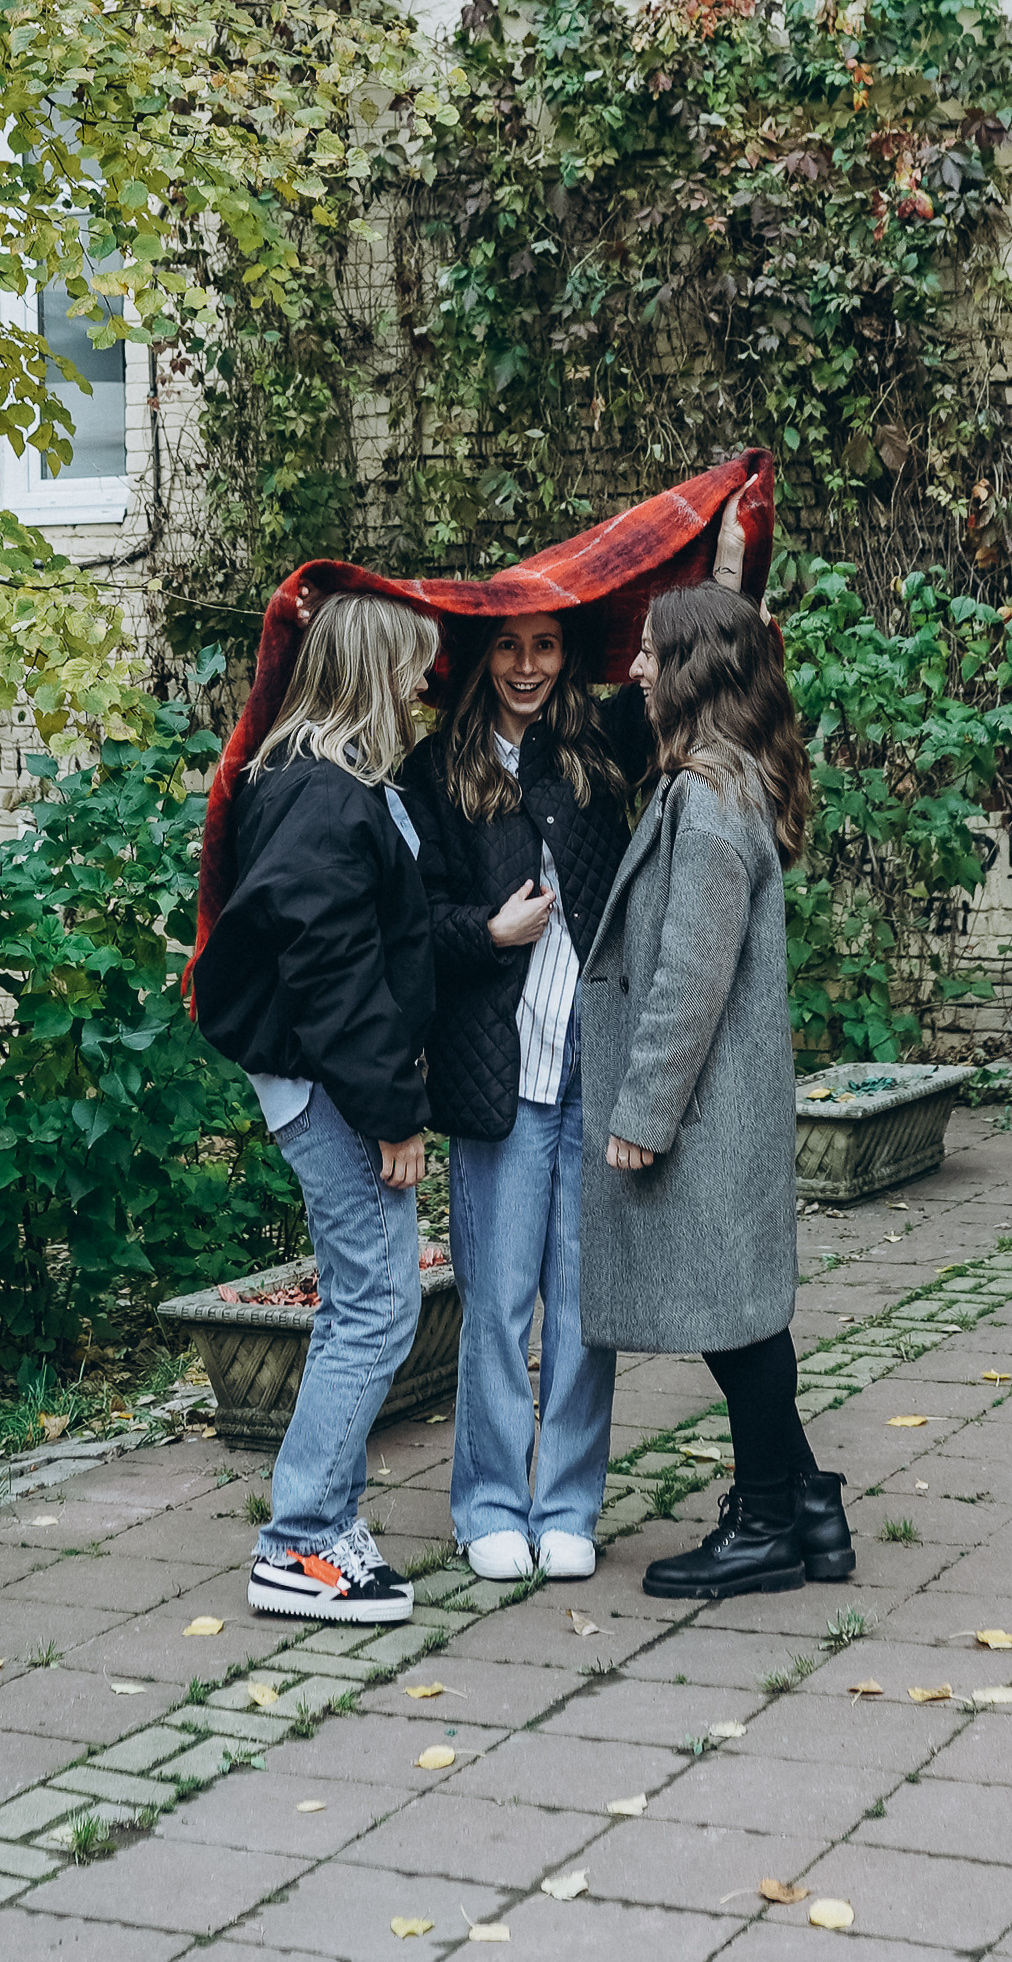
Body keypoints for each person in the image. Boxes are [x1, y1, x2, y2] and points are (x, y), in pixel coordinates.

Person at [579, 578, 855, 1598]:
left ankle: (767, 1524)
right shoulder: (725, 779)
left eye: (650, 652)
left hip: (698, 1111)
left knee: (732, 1326)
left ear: (689, 668)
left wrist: (641, 1113)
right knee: (744, 1318)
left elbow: (689, 981)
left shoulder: (702, 804)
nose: (635, 668)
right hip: (726, 1105)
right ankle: (803, 1507)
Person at [191, 589, 441, 1625]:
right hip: (332, 1088)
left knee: (361, 1301)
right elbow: (329, 971)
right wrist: (392, 1109)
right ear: (371, 671)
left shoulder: (321, 781)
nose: (426, 685)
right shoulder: (323, 795)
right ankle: (298, 1542)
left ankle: (323, 1525)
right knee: (379, 1305)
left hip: (330, 1080)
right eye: (412, 666)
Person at [402, 610, 653, 1582]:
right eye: (507, 645)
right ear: (478, 658)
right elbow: (413, 919)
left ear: (569, 655)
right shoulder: (436, 771)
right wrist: (489, 932)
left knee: (586, 1307)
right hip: (498, 1073)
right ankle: (491, 1503)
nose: (525, 665)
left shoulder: (601, 747)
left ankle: (568, 1503)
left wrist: (726, 550)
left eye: (544, 645)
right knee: (499, 1303)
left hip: (594, 1069)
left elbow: (698, 664)